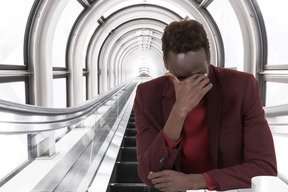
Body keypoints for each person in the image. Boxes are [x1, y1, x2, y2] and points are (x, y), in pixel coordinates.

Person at [133, 19, 277, 191]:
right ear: (165, 63)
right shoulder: (147, 95)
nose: (190, 86)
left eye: (200, 75)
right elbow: (149, 173)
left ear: (209, 58)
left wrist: (195, 181)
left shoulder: (242, 87)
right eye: (181, 78)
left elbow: (265, 168)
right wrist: (179, 112)